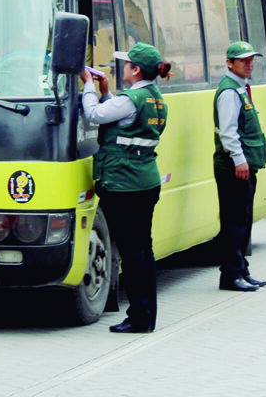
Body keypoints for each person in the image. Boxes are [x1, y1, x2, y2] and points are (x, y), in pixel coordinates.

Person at [80, 42, 171, 333]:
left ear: (135, 69)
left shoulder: (132, 98)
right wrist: (107, 91)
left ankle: (139, 318)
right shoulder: (155, 98)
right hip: (146, 181)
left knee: (132, 253)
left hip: (124, 183)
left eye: (127, 64)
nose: (123, 69)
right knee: (143, 249)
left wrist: (89, 86)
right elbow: (123, 120)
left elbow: (95, 114)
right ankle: (147, 315)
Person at [213, 41, 266, 292]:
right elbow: (228, 133)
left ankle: (241, 269)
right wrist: (239, 160)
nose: (249, 63)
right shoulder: (229, 92)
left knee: (243, 219)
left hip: (243, 164)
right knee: (234, 221)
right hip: (233, 166)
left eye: (251, 59)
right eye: (243, 60)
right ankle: (230, 275)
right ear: (229, 63)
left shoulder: (240, 88)